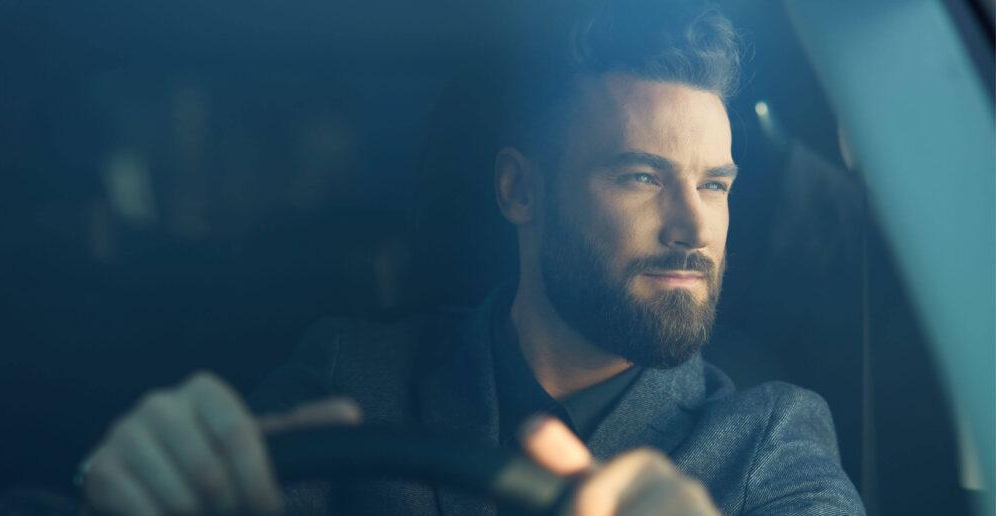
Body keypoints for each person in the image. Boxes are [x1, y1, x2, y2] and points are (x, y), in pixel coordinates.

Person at [79, 1, 866, 514]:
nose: (694, 226)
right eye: (641, 177)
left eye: (715, 185)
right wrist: (140, 487)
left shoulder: (769, 438)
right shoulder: (355, 377)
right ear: (521, 191)